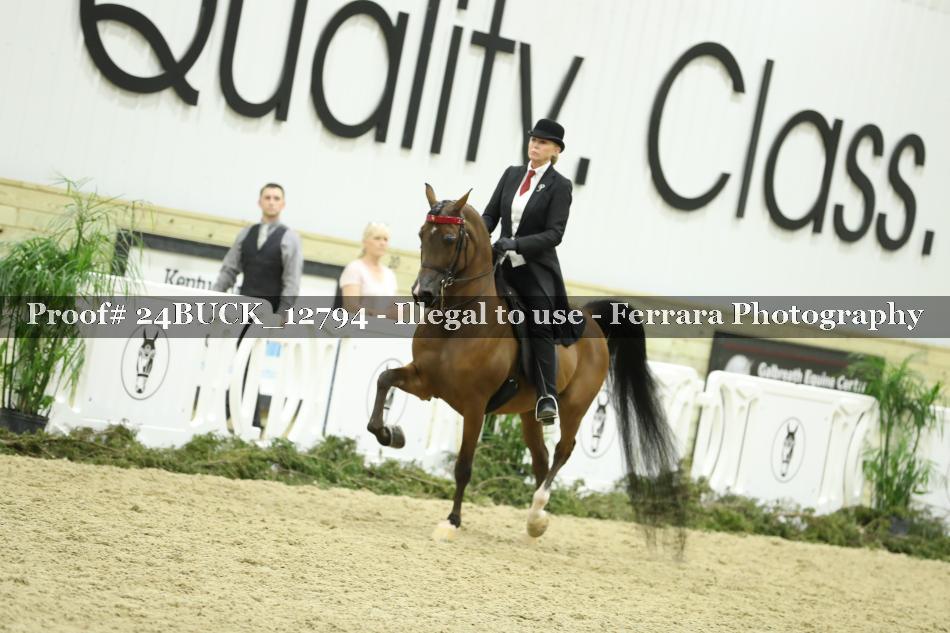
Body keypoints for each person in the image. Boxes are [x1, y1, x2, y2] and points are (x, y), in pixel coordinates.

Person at [481, 118, 581, 425]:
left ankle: (546, 396)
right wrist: (476, 234)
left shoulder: (560, 186)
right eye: (533, 140)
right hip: (501, 265)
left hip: (534, 270)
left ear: (556, 150)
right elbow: (490, 215)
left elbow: (554, 234)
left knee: (539, 322)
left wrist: (517, 244)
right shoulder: (511, 174)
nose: (535, 145)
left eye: (543, 142)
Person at [212, 183, 304, 318]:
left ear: (283, 204)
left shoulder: (290, 238)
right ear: (260, 202)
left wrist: (282, 314)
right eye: (267, 198)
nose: (271, 202)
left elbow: (292, 282)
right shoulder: (245, 233)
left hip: (271, 313)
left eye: (276, 198)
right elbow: (229, 270)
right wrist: (213, 298)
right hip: (242, 310)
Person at [339, 222, 399, 318]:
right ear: (365, 242)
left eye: (385, 239)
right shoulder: (355, 268)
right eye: (377, 238)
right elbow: (351, 307)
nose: (382, 243)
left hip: (383, 326)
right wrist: (381, 314)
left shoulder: (389, 274)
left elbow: (394, 308)